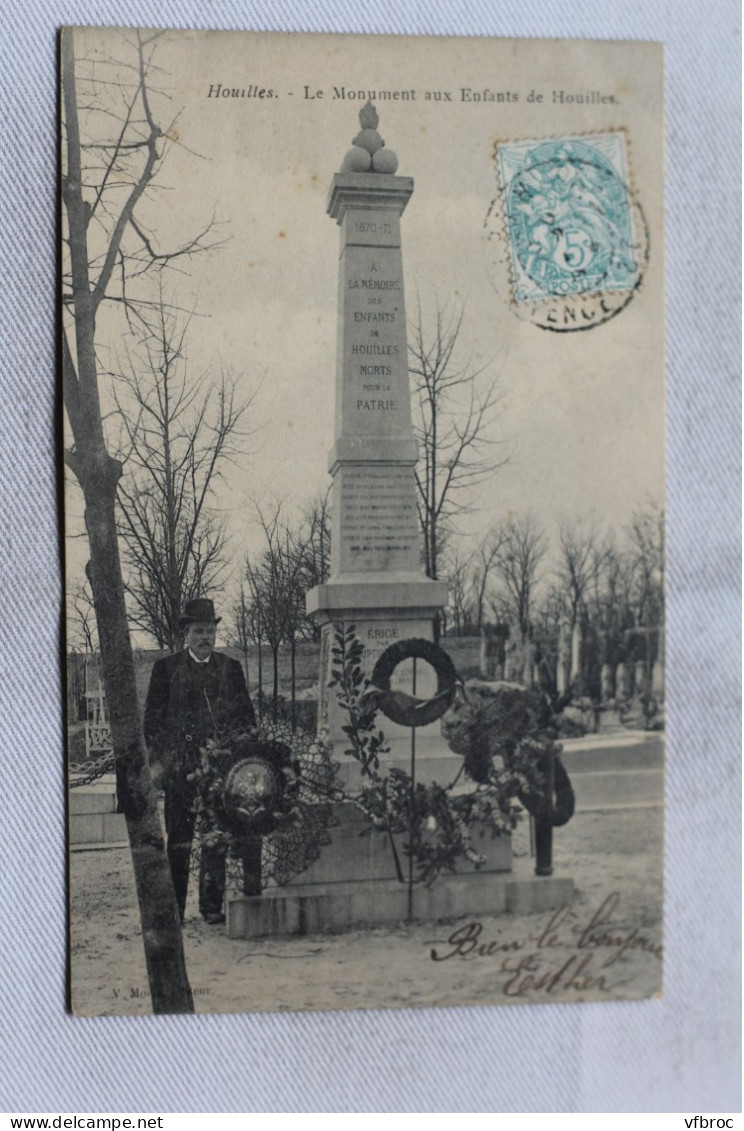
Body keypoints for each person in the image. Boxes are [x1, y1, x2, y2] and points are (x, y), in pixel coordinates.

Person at [143, 597, 256, 925]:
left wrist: (238, 753)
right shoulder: (166, 669)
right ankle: (174, 909)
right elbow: (152, 721)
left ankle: (211, 906)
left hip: (218, 771)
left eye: (210, 631)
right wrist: (162, 761)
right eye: (198, 631)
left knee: (215, 837)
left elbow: (246, 718)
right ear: (186, 634)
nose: (205, 637)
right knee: (178, 841)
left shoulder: (230, 668)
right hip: (180, 771)